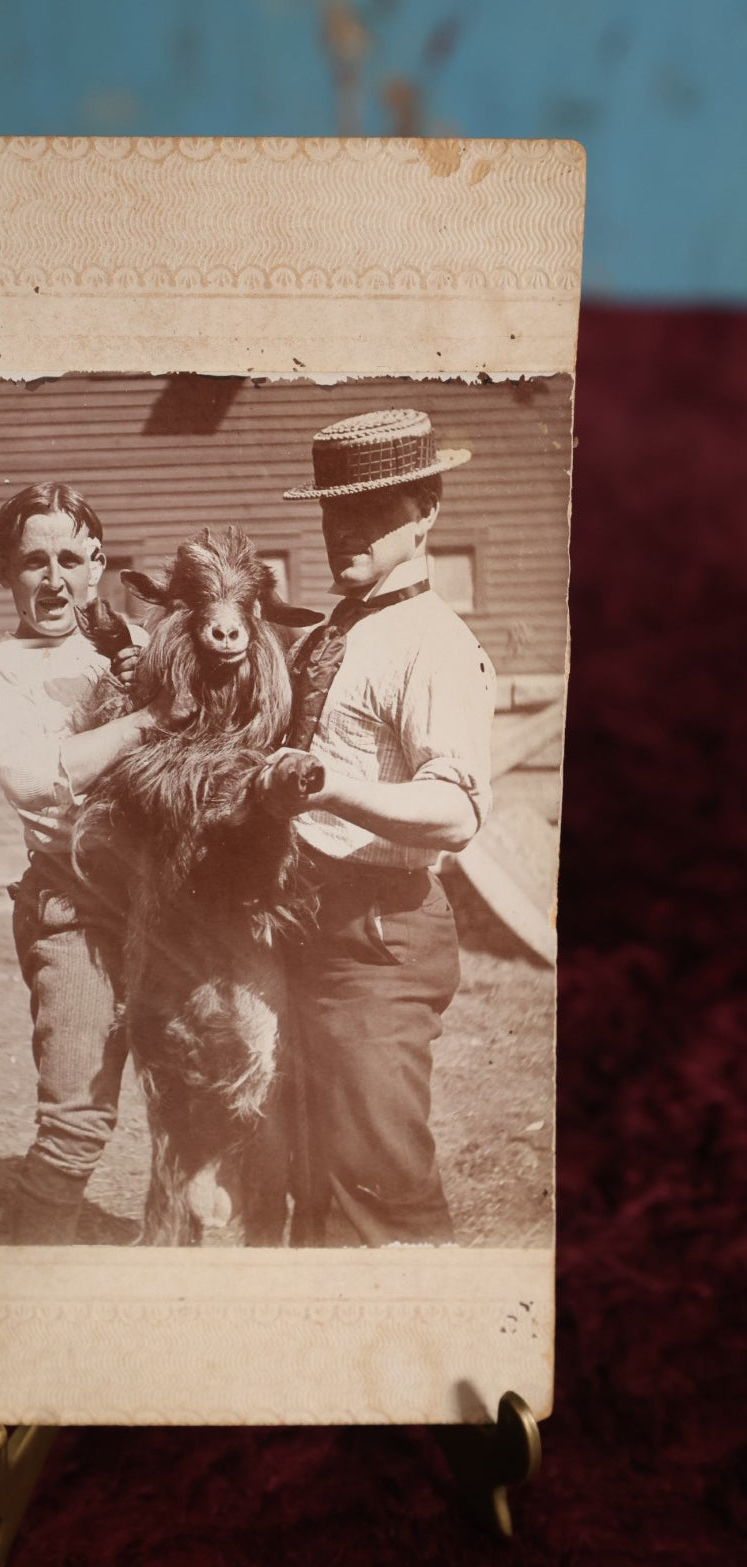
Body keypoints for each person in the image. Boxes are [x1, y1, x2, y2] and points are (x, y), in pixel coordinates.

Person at [277, 409, 496, 1246]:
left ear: (425, 509)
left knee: (382, 1191)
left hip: (379, 938)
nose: (345, 531)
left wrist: (331, 784)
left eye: (370, 511)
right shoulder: (335, 633)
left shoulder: (431, 643)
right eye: (335, 511)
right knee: (314, 1184)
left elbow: (455, 811)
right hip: (305, 928)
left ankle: (438, 1361)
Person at [0, 482, 152, 1244]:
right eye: (33, 561)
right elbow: (39, 777)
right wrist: (146, 720)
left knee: (207, 1095)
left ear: (97, 564)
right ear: (2, 569)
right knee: (77, 1117)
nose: (54, 579)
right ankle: (33, 1270)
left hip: (176, 904)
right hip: (75, 908)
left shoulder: (136, 645)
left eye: (70, 558)